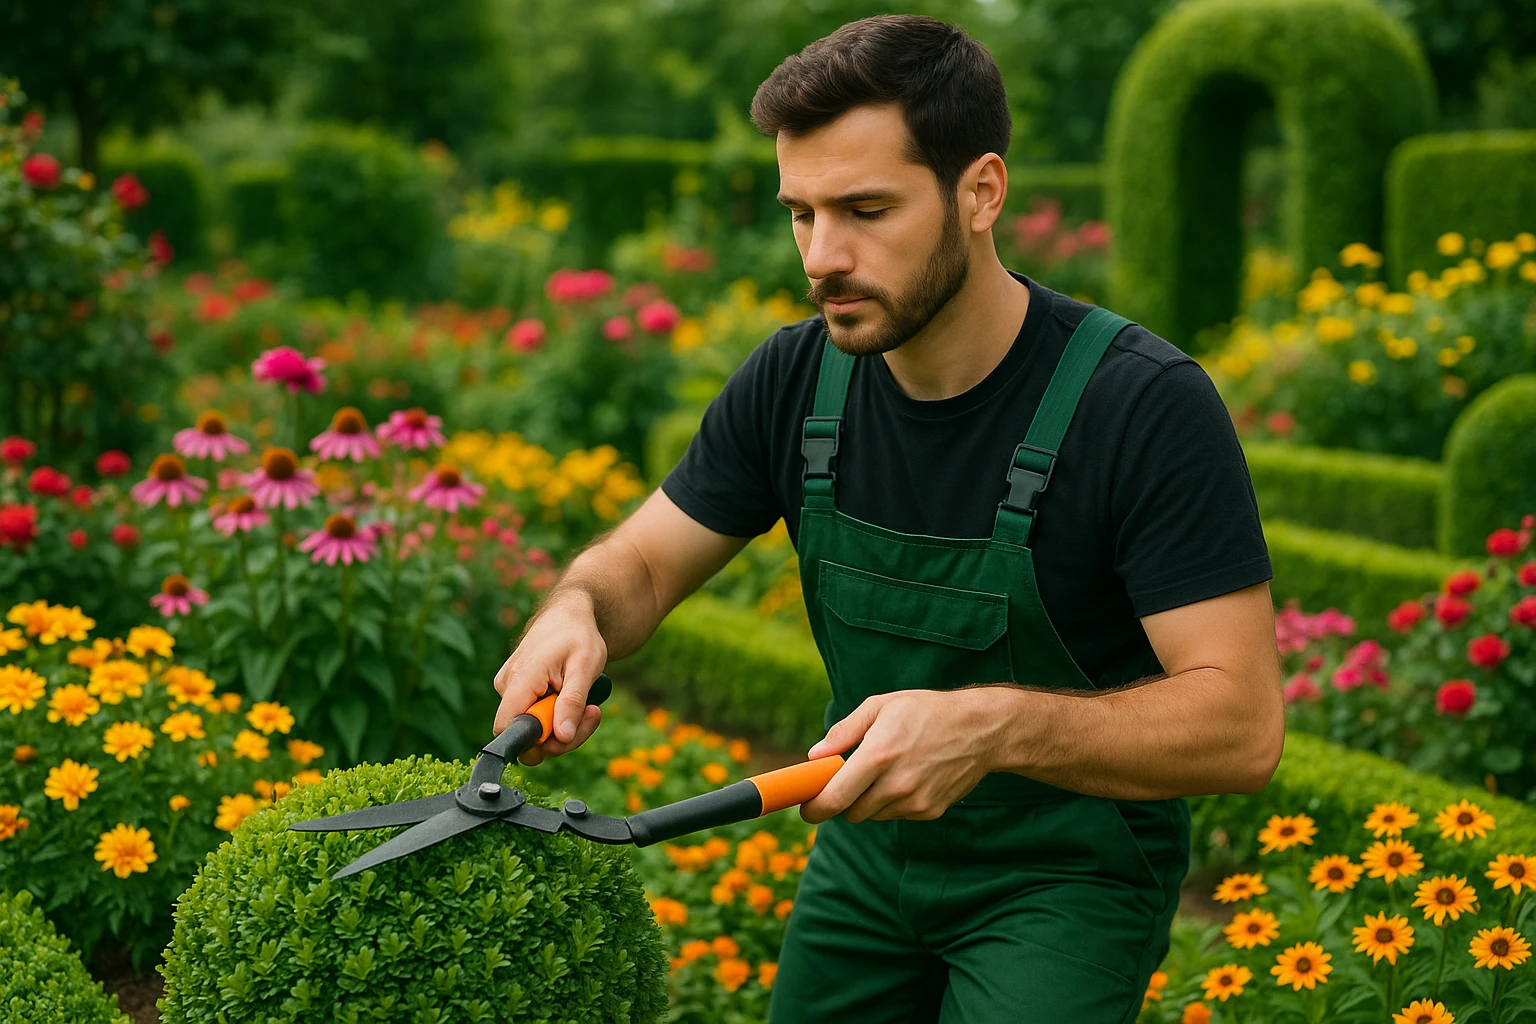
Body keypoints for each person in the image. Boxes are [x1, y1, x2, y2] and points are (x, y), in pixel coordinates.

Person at [493, 13, 1285, 1023]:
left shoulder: (1140, 404)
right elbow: (642, 566)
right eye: (801, 213)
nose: (823, 256)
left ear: (981, 192)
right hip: (865, 865)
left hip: (1063, 882)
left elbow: (1243, 724)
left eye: (866, 208)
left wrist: (994, 724)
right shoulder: (793, 380)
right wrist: (576, 611)